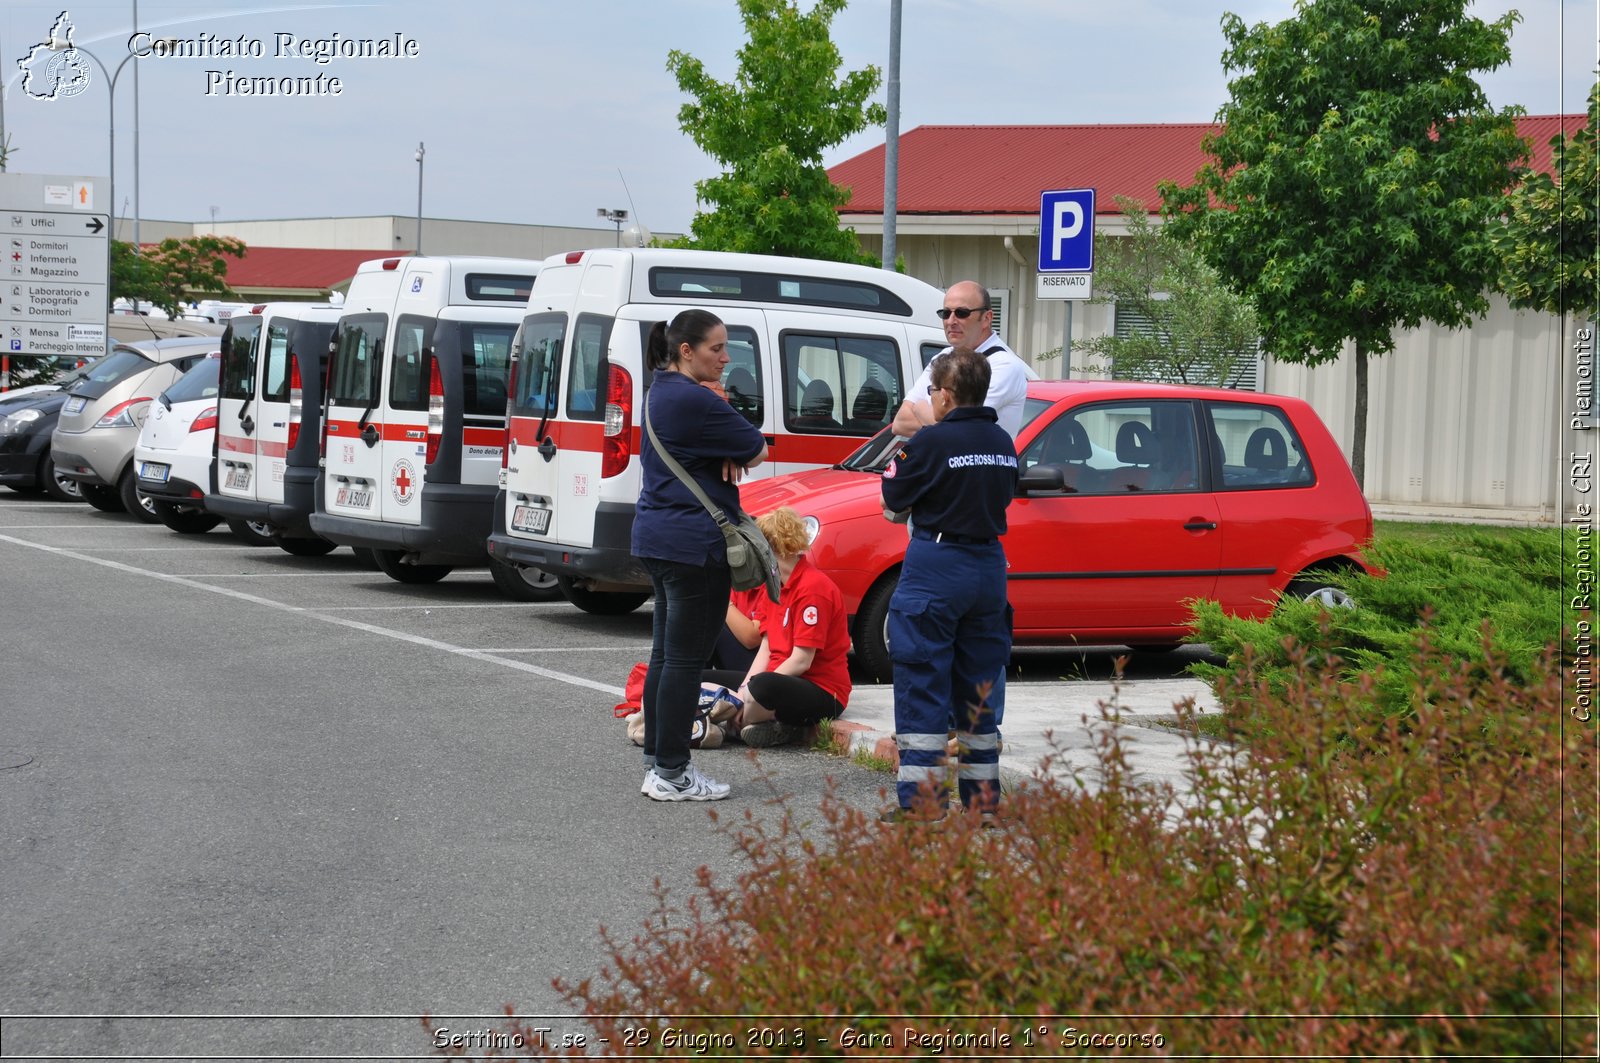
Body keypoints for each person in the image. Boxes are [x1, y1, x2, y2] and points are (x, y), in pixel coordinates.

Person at [633, 309, 768, 802]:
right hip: (695, 544)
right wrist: (727, 444)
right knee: (686, 662)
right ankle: (673, 772)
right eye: (716, 348)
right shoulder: (696, 399)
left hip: (657, 536)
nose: (726, 357)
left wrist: (720, 448)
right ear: (686, 350)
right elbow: (755, 448)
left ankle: (657, 761)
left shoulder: (660, 389)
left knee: (666, 656)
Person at [879, 347, 1018, 822]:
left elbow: (893, 493)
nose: (930, 397)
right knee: (979, 689)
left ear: (949, 395)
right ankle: (981, 805)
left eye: (933, 389)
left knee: (923, 681)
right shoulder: (1002, 441)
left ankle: (923, 807)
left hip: (938, 565)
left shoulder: (932, 443)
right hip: (988, 568)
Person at [701, 507, 851, 748]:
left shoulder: (813, 588)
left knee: (761, 686)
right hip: (778, 680)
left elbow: (802, 661)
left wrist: (749, 693)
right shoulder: (776, 587)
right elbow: (766, 649)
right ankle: (747, 724)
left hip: (821, 689)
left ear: (772, 546)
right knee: (700, 678)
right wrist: (742, 692)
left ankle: (739, 726)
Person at [891, 280, 1036, 440]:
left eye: (962, 313)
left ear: (987, 318)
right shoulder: (943, 357)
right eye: (946, 313)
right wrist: (941, 421)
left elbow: (960, 429)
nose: (951, 321)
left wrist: (919, 407)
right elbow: (901, 422)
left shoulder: (1003, 365)